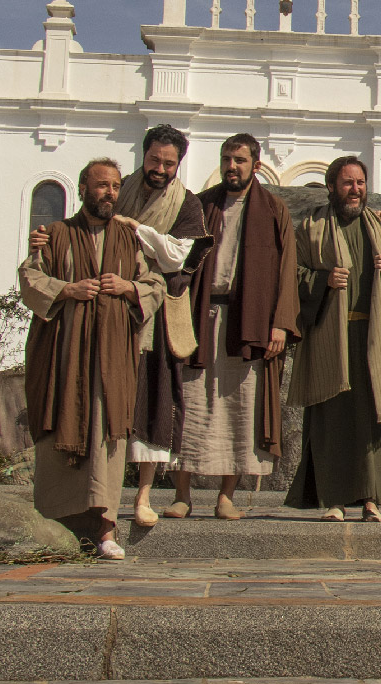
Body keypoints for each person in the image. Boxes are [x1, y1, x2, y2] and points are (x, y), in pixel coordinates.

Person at [31, 125, 207, 528]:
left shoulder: (186, 204)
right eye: (154, 159)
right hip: (96, 321)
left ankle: (142, 495)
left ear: (178, 164)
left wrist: (136, 233)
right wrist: (47, 242)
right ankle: (89, 495)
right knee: (96, 399)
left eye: (168, 163)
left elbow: (176, 256)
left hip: (152, 312)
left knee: (151, 398)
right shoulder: (118, 187)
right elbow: (82, 232)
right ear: (143, 156)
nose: (159, 168)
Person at [20, 158, 162, 559]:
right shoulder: (55, 234)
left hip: (111, 357)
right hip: (64, 357)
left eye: (115, 186)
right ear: (83, 188)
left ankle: (105, 528)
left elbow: (154, 284)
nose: (110, 193)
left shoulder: (129, 238)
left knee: (106, 434)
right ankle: (55, 526)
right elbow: (30, 278)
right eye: (102, 185)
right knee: (61, 421)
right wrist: (67, 290)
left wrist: (127, 286)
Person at [170, 134, 298, 519]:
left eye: (239, 160)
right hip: (199, 316)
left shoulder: (273, 209)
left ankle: (226, 496)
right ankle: (182, 495)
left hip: (248, 320)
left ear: (255, 165)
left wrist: (280, 324)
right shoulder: (200, 205)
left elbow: (287, 269)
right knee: (189, 404)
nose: (231, 166)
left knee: (240, 408)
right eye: (227, 158)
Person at [286, 156, 381, 521]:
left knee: (374, 419)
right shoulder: (311, 228)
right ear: (331, 187)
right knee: (332, 420)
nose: (355, 190)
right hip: (331, 337)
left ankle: (372, 500)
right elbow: (291, 274)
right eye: (347, 183)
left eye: (360, 183)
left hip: (373, 337)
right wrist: (321, 280)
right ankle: (334, 501)